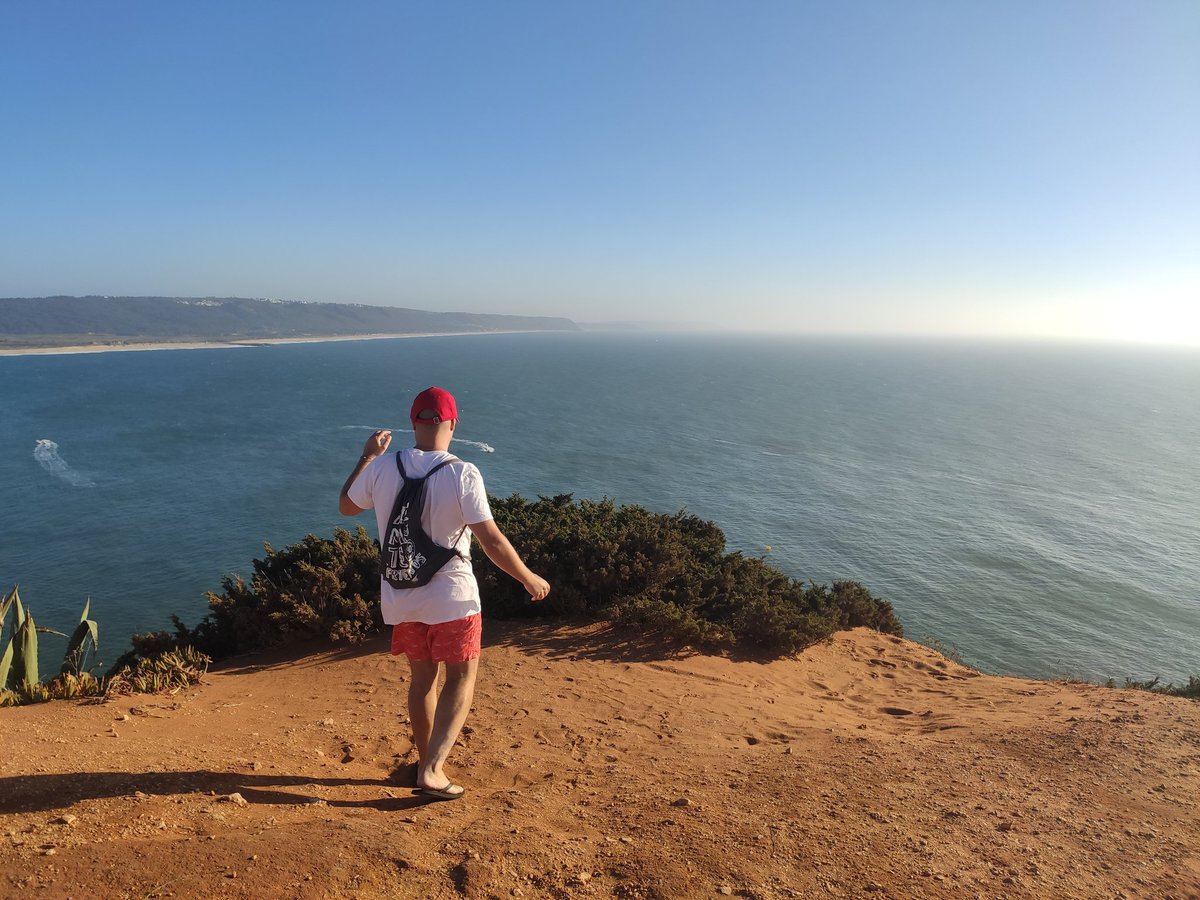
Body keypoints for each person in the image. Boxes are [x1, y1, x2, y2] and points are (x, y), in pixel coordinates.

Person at [339, 386, 550, 802]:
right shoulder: (462, 473)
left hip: (401, 594)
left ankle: (425, 763)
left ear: (413, 422)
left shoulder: (383, 467)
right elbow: (491, 540)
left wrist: (367, 457)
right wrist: (528, 577)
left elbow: (347, 505)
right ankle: (433, 770)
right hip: (452, 597)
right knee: (461, 677)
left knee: (423, 680)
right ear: (453, 424)